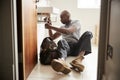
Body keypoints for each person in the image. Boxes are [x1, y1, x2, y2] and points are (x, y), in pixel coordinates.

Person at [44, 10, 93, 74]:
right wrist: (49, 28)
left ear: (68, 16)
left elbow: (68, 31)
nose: (60, 20)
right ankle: (62, 61)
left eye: (61, 17)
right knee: (61, 41)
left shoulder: (76, 22)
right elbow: (52, 37)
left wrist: (51, 27)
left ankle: (78, 60)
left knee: (88, 33)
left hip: (77, 46)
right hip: (67, 48)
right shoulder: (62, 27)